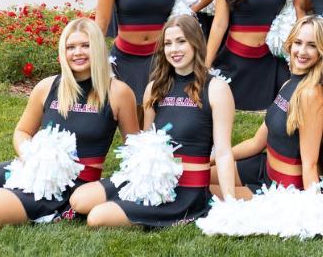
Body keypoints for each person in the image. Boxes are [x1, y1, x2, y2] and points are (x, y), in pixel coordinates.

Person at [0, 18, 139, 228]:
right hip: (31, 167)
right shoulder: (47, 86)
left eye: (85, 45)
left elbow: (133, 149)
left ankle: (5, 202)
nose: (77, 52)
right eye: (71, 47)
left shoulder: (118, 92)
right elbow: (22, 131)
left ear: (97, 48)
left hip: (69, 183)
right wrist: (32, 158)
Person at [69, 16, 238, 229]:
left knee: (96, 218)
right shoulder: (155, 88)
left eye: (181, 41)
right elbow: (147, 142)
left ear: (196, 43)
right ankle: (132, 204)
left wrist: (230, 204)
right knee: (79, 199)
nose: (174, 49)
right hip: (150, 182)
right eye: (168, 43)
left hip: (186, 191)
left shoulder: (216, 89)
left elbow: (223, 153)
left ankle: (177, 213)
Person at [227, 16, 323, 195]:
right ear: (290, 43)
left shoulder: (310, 94)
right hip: (262, 167)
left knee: (206, 195)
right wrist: (212, 159)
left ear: (321, 51)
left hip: (281, 189)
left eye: (312, 45)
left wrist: (316, 215)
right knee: (198, 177)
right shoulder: (287, 84)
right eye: (298, 42)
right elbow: (256, 143)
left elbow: (310, 163)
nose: (302, 51)